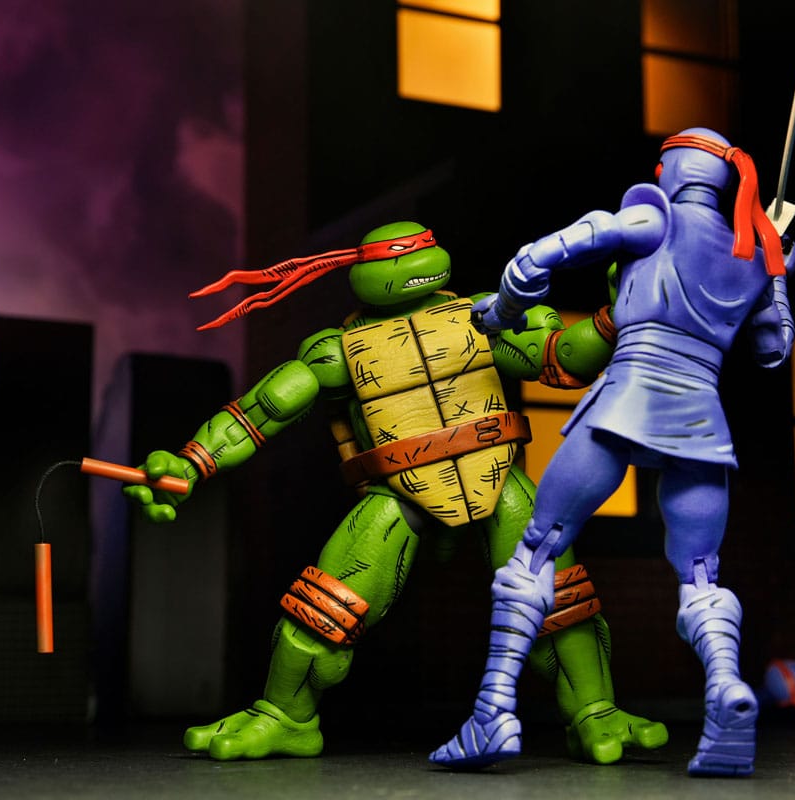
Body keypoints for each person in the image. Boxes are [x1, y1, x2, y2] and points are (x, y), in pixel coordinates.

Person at [123, 220, 668, 763]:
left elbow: (560, 358)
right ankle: (285, 717)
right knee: (323, 606)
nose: (410, 259)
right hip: (399, 492)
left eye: (418, 248)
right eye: (396, 254)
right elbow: (263, 410)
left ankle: (595, 712)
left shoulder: (486, 316)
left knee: (559, 598)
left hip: (497, 474)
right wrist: (191, 462)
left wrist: (614, 316)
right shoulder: (337, 352)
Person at [429, 128, 795, 777]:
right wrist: (773, 267)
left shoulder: (655, 217)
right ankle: (724, 687)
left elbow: (536, 259)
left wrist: (503, 312)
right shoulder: (755, 251)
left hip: (625, 402)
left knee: (536, 549)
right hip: (701, 421)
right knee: (701, 575)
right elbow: (773, 348)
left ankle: (493, 710)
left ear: (671, 170)